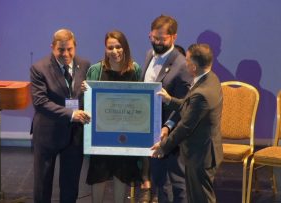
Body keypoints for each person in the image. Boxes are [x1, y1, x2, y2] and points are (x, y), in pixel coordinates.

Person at [152, 43, 223, 203]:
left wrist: (163, 147)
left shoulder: (202, 94)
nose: (185, 62)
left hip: (201, 155)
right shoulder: (210, 78)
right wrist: (170, 100)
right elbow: (191, 107)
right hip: (203, 151)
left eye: (188, 60)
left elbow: (185, 126)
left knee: (201, 198)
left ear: (194, 66)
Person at [30, 28, 91, 203]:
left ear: (75, 46)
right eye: (61, 50)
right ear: (52, 47)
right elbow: (40, 103)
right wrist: (72, 114)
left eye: (69, 49)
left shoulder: (85, 65)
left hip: (74, 135)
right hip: (47, 133)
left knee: (70, 184)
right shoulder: (39, 68)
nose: (66, 54)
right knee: (43, 184)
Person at [84, 30, 142, 203]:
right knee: (99, 174)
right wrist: (83, 92)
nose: (115, 51)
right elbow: (88, 102)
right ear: (105, 49)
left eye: (118, 46)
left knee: (122, 173)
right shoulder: (96, 70)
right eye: (110, 47)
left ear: (125, 47)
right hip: (101, 132)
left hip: (126, 133)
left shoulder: (135, 69)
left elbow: (140, 100)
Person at [139, 15, 192, 203]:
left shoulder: (183, 65)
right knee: (159, 180)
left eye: (162, 39)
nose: (157, 42)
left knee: (178, 181)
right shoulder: (148, 55)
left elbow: (184, 103)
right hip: (151, 129)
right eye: (154, 38)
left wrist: (168, 127)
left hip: (172, 132)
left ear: (174, 37)